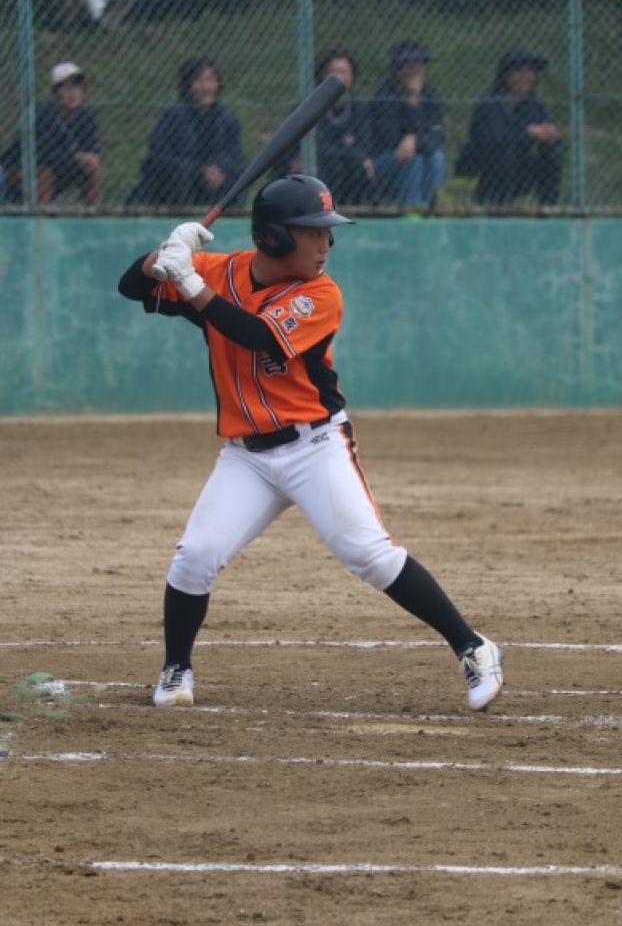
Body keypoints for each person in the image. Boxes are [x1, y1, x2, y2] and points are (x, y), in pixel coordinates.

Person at [117, 174, 504, 713]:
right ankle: (175, 668)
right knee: (195, 556)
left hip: (315, 447)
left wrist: (188, 279)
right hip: (247, 457)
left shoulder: (321, 294)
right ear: (273, 237)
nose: (327, 243)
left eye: (327, 232)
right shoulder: (217, 272)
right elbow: (132, 287)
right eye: (313, 232)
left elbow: (256, 335)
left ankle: (473, 646)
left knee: (368, 554)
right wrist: (162, 254)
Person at [125, 56, 245, 208]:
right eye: (199, 81)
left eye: (210, 80)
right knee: (180, 174)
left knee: (235, 178)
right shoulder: (173, 116)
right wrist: (199, 170)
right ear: (188, 85)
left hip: (214, 181)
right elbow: (157, 157)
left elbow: (234, 156)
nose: (205, 87)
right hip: (180, 181)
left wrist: (218, 169)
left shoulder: (227, 119)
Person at [454, 48, 562, 207]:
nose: (525, 77)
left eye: (530, 72)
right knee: (505, 151)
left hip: (517, 169)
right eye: (519, 71)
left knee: (551, 152)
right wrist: (528, 132)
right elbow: (495, 138)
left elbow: (542, 128)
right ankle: (497, 207)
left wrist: (549, 135)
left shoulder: (534, 104)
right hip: (483, 170)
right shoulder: (490, 102)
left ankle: (548, 209)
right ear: (505, 75)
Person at [271, 48, 376, 205]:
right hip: (316, 163)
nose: (340, 77)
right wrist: (346, 149)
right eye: (334, 72)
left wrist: (360, 157)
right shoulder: (309, 106)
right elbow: (315, 146)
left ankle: (357, 210)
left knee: (358, 167)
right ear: (323, 75)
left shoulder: (359, 108)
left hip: (347, 163)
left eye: (344, 72)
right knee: (332, 164)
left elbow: (364, 144)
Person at [3, 62, 101, 206]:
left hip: (62, 166)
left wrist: (91, 157)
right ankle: (41, 217)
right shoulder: (43, 114)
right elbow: (43, 155)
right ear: (56, 93)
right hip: (19, 169)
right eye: (67, 88)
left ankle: (91, 216)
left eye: (78, 87)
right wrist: (77, 157)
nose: (73, 93)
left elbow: (92, 147)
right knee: (45, 172)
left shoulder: (85, 116)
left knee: (93, 170)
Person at [370, 42, 446, 208]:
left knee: (436, 157)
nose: (416, 71)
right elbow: (389, 138)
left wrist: (415, 139)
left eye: (420, 65)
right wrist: (411, 105)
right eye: (410, 66)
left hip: (417, 153)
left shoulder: (430, 95)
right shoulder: (384, 96)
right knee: (413, 159)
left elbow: (437, 135)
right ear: (398, 70)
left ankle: (430, 208)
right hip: (385, 161)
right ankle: (411, 211)